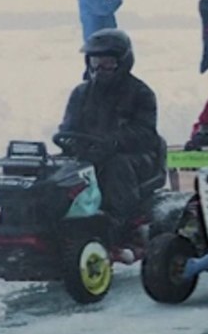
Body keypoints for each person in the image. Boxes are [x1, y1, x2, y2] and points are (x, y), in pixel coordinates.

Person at [58, 29, 165, 231]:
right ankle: (53, 216)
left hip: (133, 155)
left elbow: (145, 133)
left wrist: (113, 141)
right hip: (89, 152)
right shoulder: (81, 93)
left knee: (117, 165)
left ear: (123, 62)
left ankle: (118, 220)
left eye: (107, 63)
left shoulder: (141, 93)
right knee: (54, 168)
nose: (100, 68)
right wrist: (70, 142)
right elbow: (68, 127)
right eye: (95, 62)